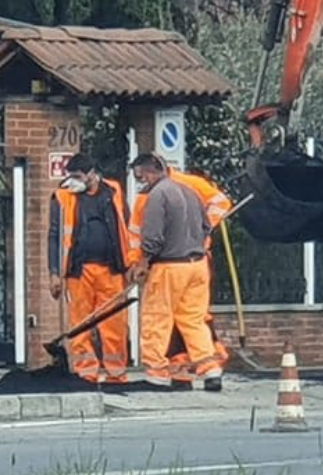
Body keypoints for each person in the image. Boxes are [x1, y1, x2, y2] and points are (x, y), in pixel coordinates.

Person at [128, 156, 231, 390]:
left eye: (139, 177)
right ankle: (210, 369)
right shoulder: (190, 192)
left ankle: (157, 372)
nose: (140, 182)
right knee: (193, 319)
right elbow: (206, 225)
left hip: (169, 267)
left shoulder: (157, 196)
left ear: (148, 173)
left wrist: (142, 262)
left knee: (156, 317)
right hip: (197, 265)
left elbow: (152, 236)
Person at [48, 153, 133, 385]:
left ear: (92, 174)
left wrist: (132, 262)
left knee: (114, 322)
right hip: (79, 270)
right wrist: (54, 272)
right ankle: (87, 370)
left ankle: (116, 371)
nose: (72, 181)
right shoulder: (63, 197)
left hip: (111, 269)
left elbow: (127, 228)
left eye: (77, 176)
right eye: (70, 176)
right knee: (80, 323)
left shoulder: (113, 192)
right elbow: (54, 236)